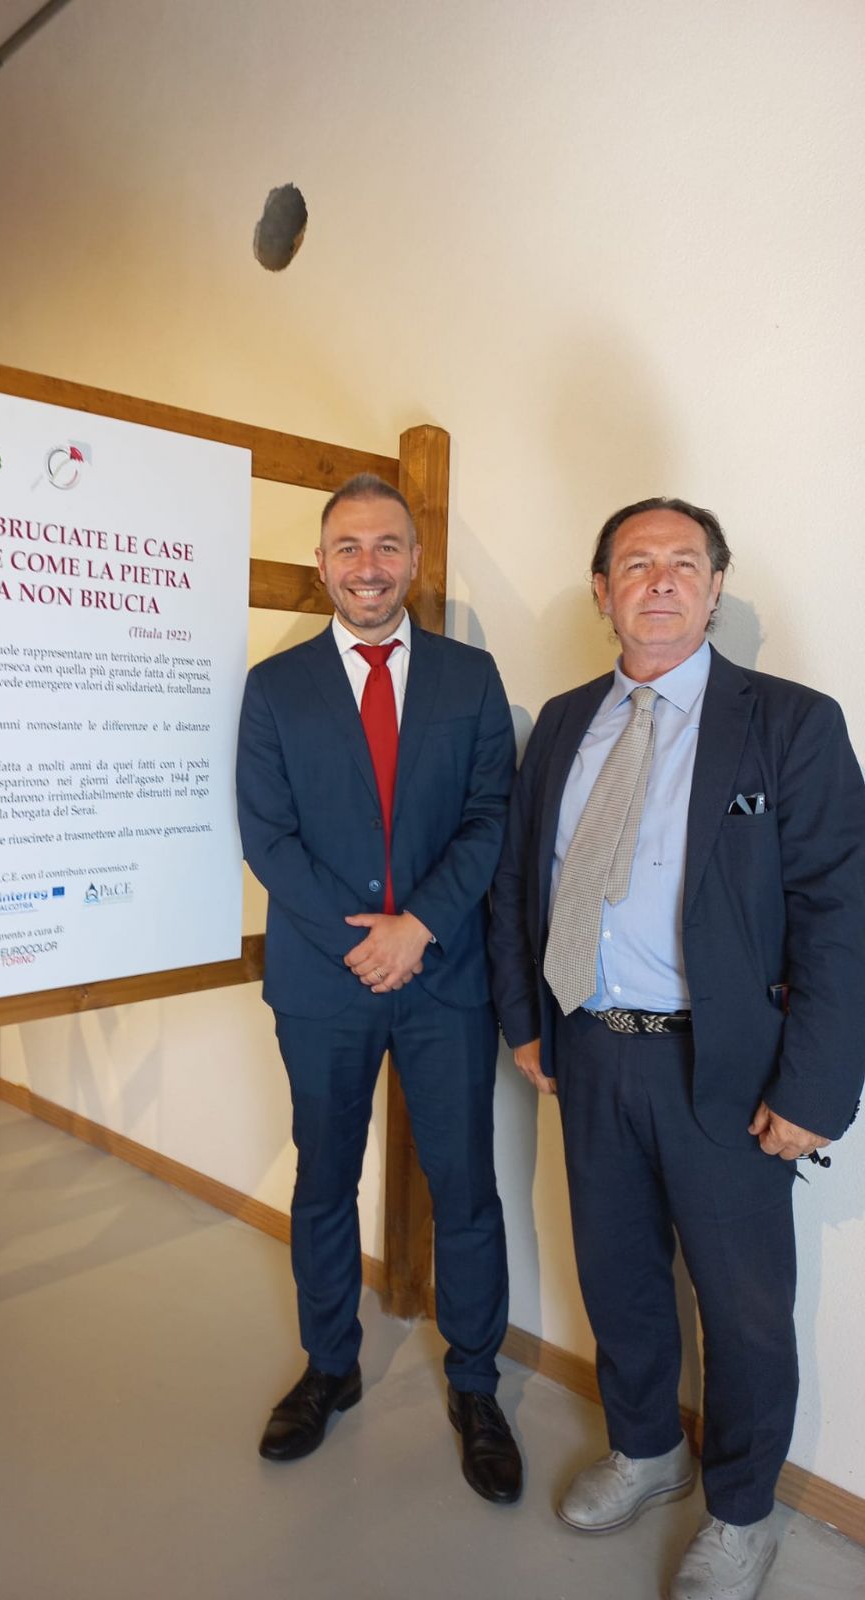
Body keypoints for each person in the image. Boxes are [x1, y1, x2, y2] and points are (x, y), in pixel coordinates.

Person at [489, 497, 865, 1599]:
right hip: (591, 1048)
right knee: (617, 1272)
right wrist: (526, 1022)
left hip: (729, 1070)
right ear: (601, 591)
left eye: (683, 563)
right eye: (635, 563)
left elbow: (841, 914)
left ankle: (741, 1510)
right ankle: (648, 1448)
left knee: (744, 1309)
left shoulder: (790, 722)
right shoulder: (566, 721)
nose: (659, 580)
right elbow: (520, 882)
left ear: (714, 588)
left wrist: (814, 1088)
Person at [235, 474, 521, 1503]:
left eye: (388, 546)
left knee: (466, 1187)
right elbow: (267, 834)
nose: (369, 565)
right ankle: (331, 1367)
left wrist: (420, 927)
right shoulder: (275, 687)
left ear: (414, 560)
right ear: (323, 564)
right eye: (349, 547)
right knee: (324, 1180)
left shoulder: (470, 677)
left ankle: (476, 1385)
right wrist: (362, 944)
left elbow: (490, 815)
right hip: (326, 980)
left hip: (444, 978)